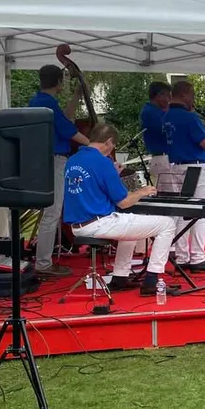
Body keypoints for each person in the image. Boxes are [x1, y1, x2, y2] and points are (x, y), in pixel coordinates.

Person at [63, 124, 180, 295]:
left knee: (130, 228)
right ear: (109, 142)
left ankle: (120, 277)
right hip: (99, 223)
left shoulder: (72, 160)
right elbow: (124, 202)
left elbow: (92, 187)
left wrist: (113, 175)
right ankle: (152, 281)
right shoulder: (102, 162)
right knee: (167, 224)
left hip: (78, 226)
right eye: (113, 146)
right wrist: (142, 191)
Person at [30, 64, 91, 278]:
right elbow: (69, 131)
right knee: (53, 213)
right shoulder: (47, 103)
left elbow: (64, 118)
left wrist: (76, 96)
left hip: (44, 160)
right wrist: (94, 146)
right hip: (55, 159)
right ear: (59, 82)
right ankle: (43, 263)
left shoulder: (38, 101)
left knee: (51, 212)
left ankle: (43, 260)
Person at [163, 80, 205, 272]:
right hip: (196, 168)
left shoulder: (167, 117)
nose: (193, 100)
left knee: (184, 212)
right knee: (202, 213)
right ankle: (198, 258)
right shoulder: (189, 117)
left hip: (176, 166)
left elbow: (187, 139)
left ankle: (182, 257)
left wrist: (204, 131)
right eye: (192, 95)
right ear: (184, 95)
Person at [139, 81, 174, 192]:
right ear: (159, 95)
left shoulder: (157, 111)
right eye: (168, 96)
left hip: (166, 158)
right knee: (171, 196)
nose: (169, 99)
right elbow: (167, 129)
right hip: (162, 158)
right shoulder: (150, 112)